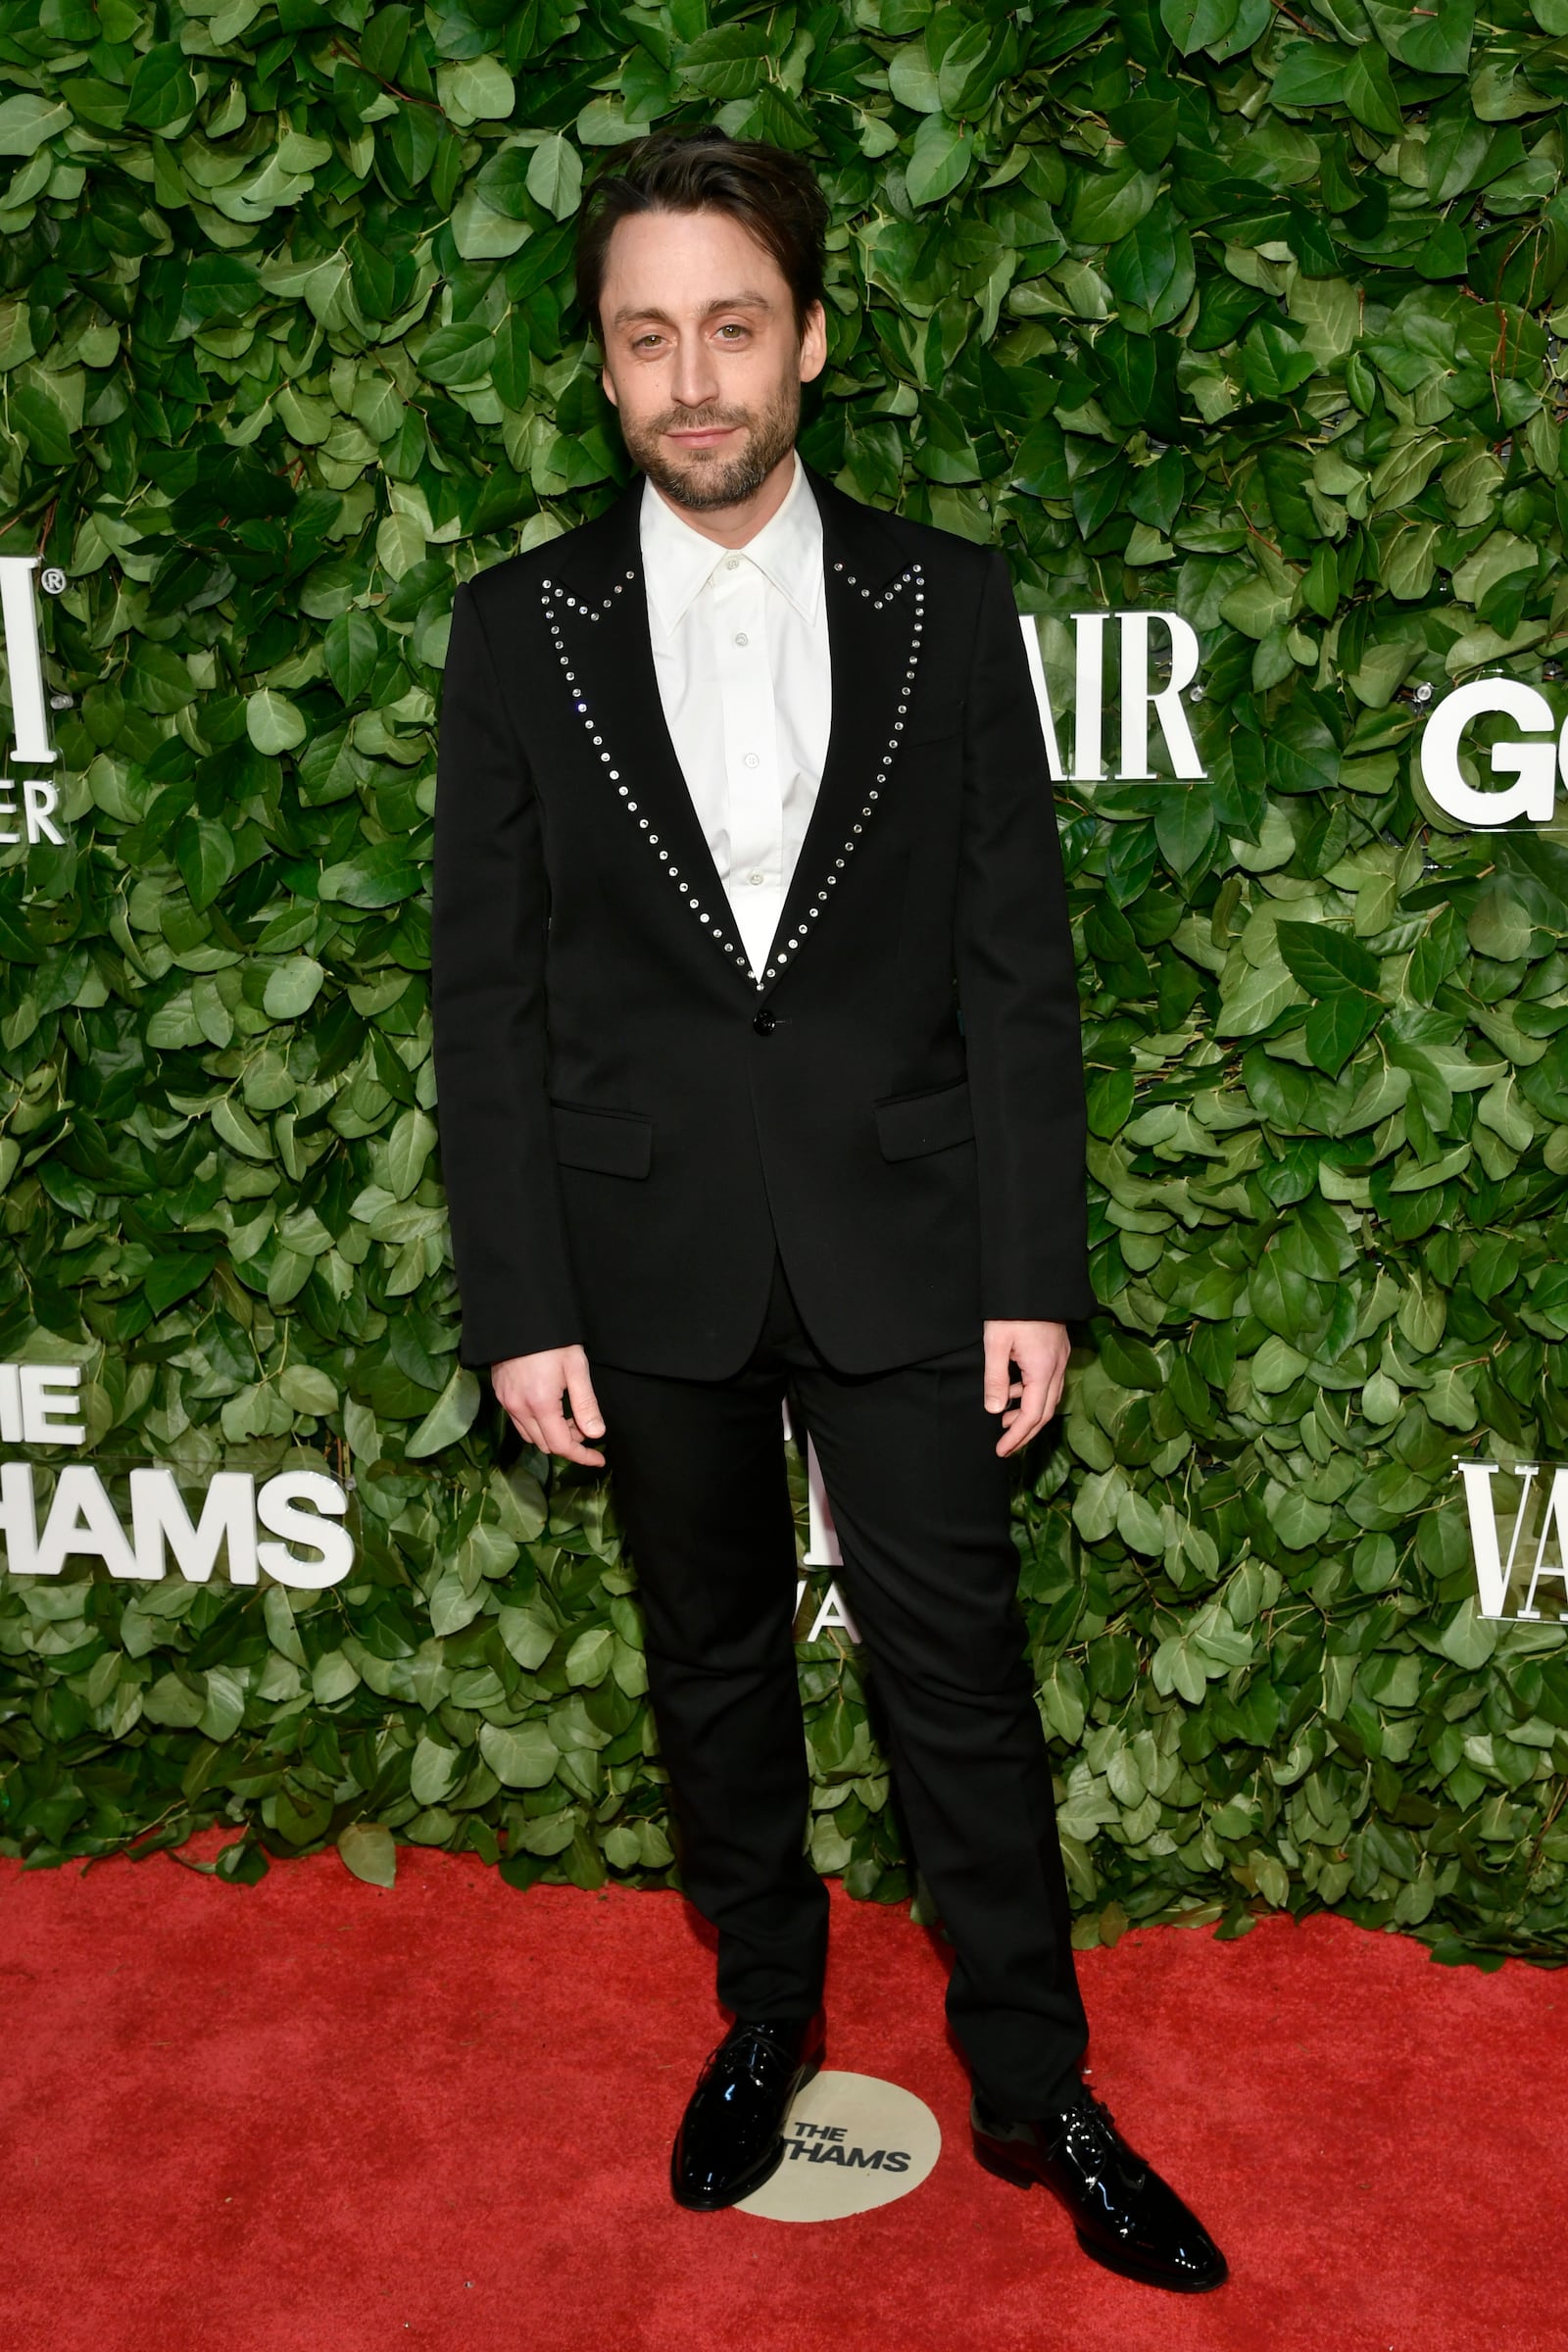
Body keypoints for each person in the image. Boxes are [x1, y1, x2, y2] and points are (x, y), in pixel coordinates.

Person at [431, 126, 1225, 2293]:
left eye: (731, 328)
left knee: (955, 1674)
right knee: (709, 1673)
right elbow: (483, 1001)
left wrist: (1026, 1273)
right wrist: (518, 1303)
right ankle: (761, 2018)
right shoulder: (516, 635)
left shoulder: (941, 601)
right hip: (635, 1252)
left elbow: (1012, 971)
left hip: (899, 1238)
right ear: (600, 369)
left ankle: (1034, 2082)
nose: (692, 377)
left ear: (806, 343)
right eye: (645, 336)